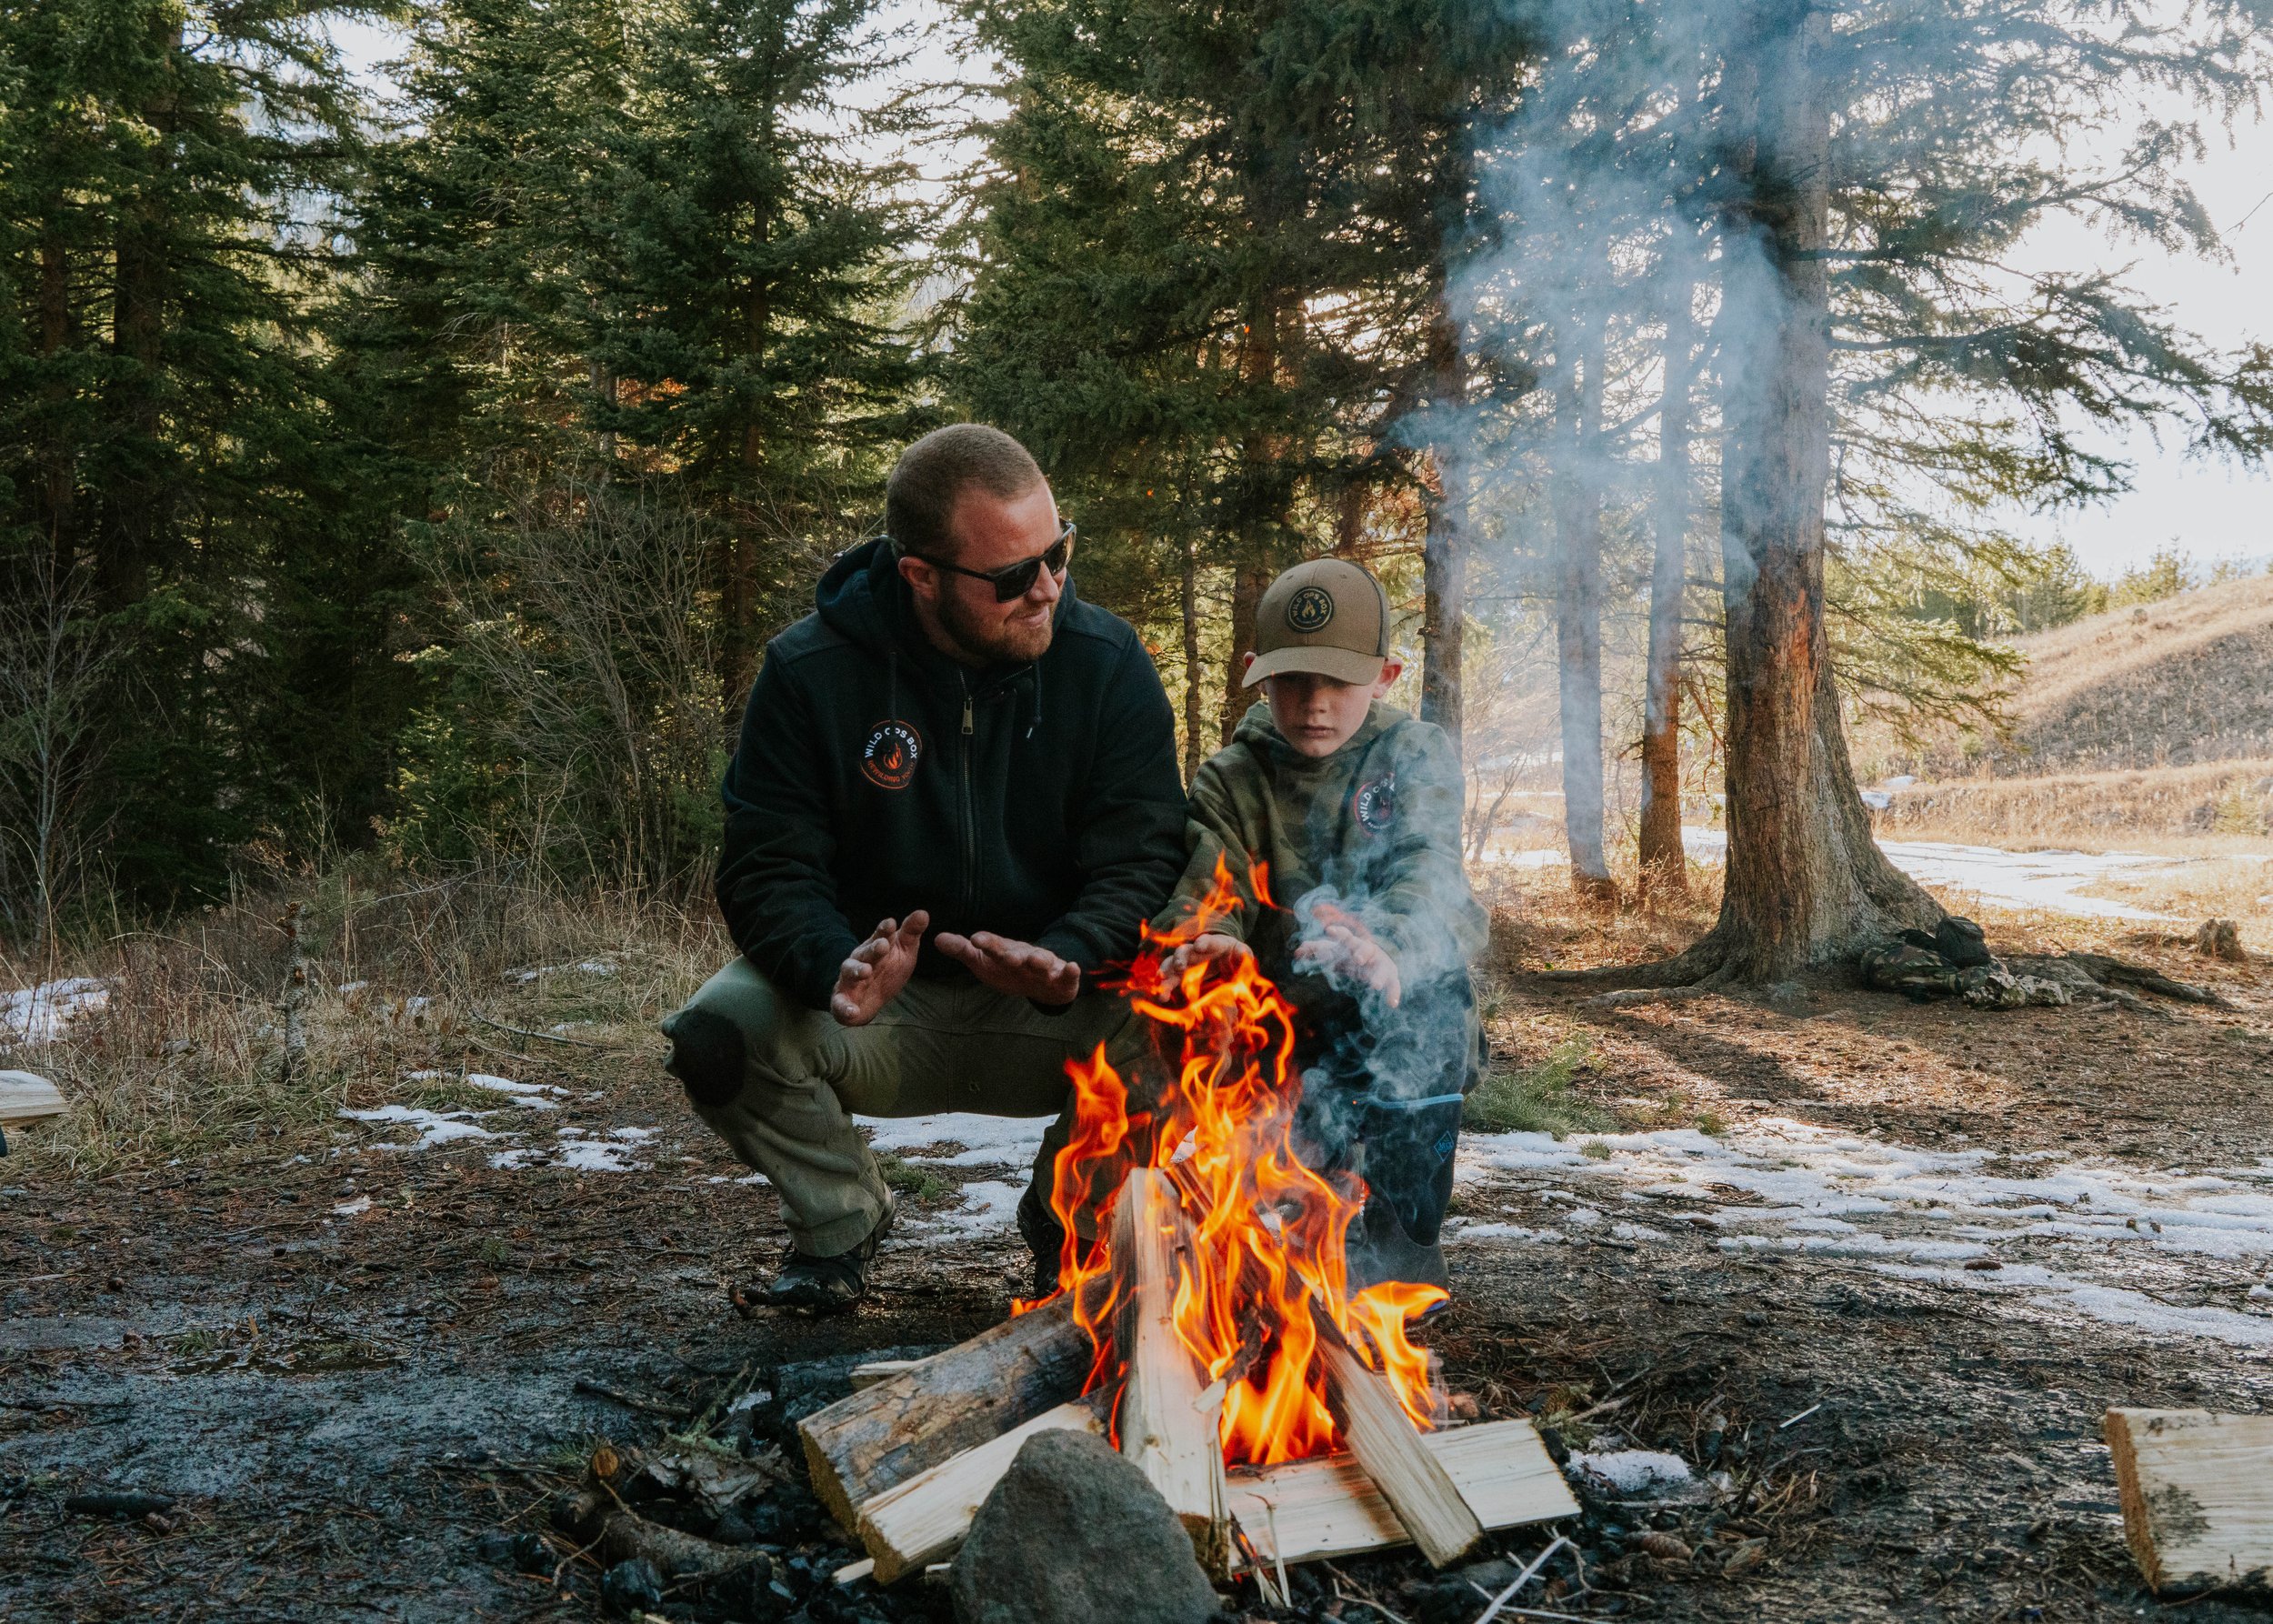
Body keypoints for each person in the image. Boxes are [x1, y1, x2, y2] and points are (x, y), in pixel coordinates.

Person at [662, 424, 1186, 1312]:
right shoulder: (808, 672)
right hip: (877, 1014)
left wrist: (1073, 953)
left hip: (1053, 1007)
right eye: (1014, 576)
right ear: (920, 576)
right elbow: (766, 865)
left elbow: (1143, 852)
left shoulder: (1106, 665)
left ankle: (1075, 1229)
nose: (1048, 589)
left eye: (1058, 553)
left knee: (1198, 1016)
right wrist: (836, 964)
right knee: (714, 1033)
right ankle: (840, 1224)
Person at [1152, 557, 1487, 1293]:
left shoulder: (1412, 755)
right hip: (1281, 1032)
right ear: (1256, 674)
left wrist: (1388, 948)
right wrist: (1209, 939)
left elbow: (1429, 872)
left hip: (1387, 1013)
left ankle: (1405, 1239)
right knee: (1292, 1251)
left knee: (1434, 993)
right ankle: (1289, 1220)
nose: (1315, 703)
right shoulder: (1232, 776)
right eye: (1294, 680)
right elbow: (1211, 882)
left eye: (1338, 681)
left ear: (1387, 675)